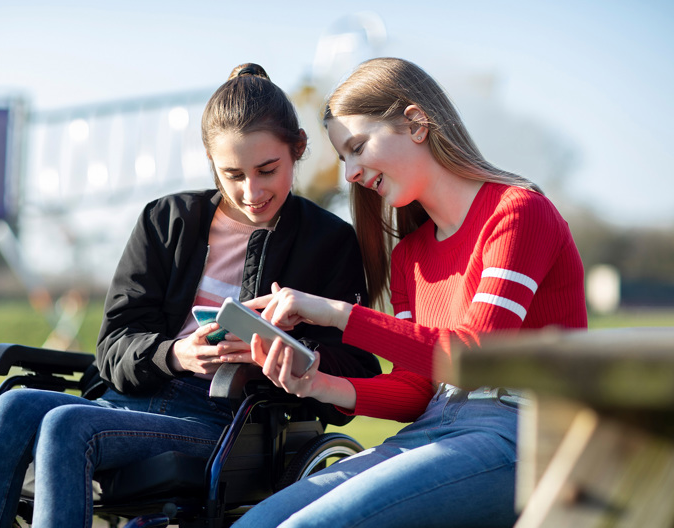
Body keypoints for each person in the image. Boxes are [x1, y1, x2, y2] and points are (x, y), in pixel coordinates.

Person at [0, 63, 379, 528]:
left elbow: (357, 371)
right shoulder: (165, 220)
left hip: (227, 422)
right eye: (232, 174)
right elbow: (112, 346)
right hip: (125, 401)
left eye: (267, 170)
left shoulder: (329, 242)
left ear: (297, 150)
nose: (250, 192)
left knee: (65, 424)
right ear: (211, 162)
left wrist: (275, 354)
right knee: (14, 404)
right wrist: (175, 354)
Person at [234, 57, 588, 528]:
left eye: (358, 147)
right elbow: (414, 392)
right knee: (256, 523)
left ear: (417, 123)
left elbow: (476, 357)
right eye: (345, 158)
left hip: (522, 434)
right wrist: (317, 383)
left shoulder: (518, 211)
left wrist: (339, 314)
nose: (351, 174)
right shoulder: (410, 257)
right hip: (435, 428)